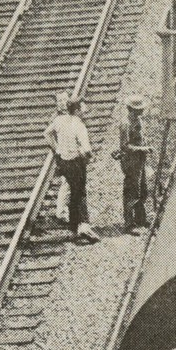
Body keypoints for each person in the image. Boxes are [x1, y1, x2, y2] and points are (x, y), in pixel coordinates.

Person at [43, 93, 99, 244]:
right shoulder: (79, 125)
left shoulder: (59, 120)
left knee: (74, 194)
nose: (85, 108)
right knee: (80, 193)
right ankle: (84, 227)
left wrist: (58, 149)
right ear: (78, 109)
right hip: (76, 162)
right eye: (83, 106)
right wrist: (88, 156)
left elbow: (47, 134)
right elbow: (86, 149)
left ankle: (73, 229)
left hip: (64, 162)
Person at [118, 95, 151, 234]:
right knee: (131, 191)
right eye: (139, 110)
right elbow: (125, 146)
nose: (141, 112)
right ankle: (129, 224)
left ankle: (140, 219)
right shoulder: (125, 124)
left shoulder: (137, 121)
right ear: (131, 110)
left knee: (142, 189)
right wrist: (142, 149)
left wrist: (143, 148)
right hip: (130, 162)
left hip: (139, 160)